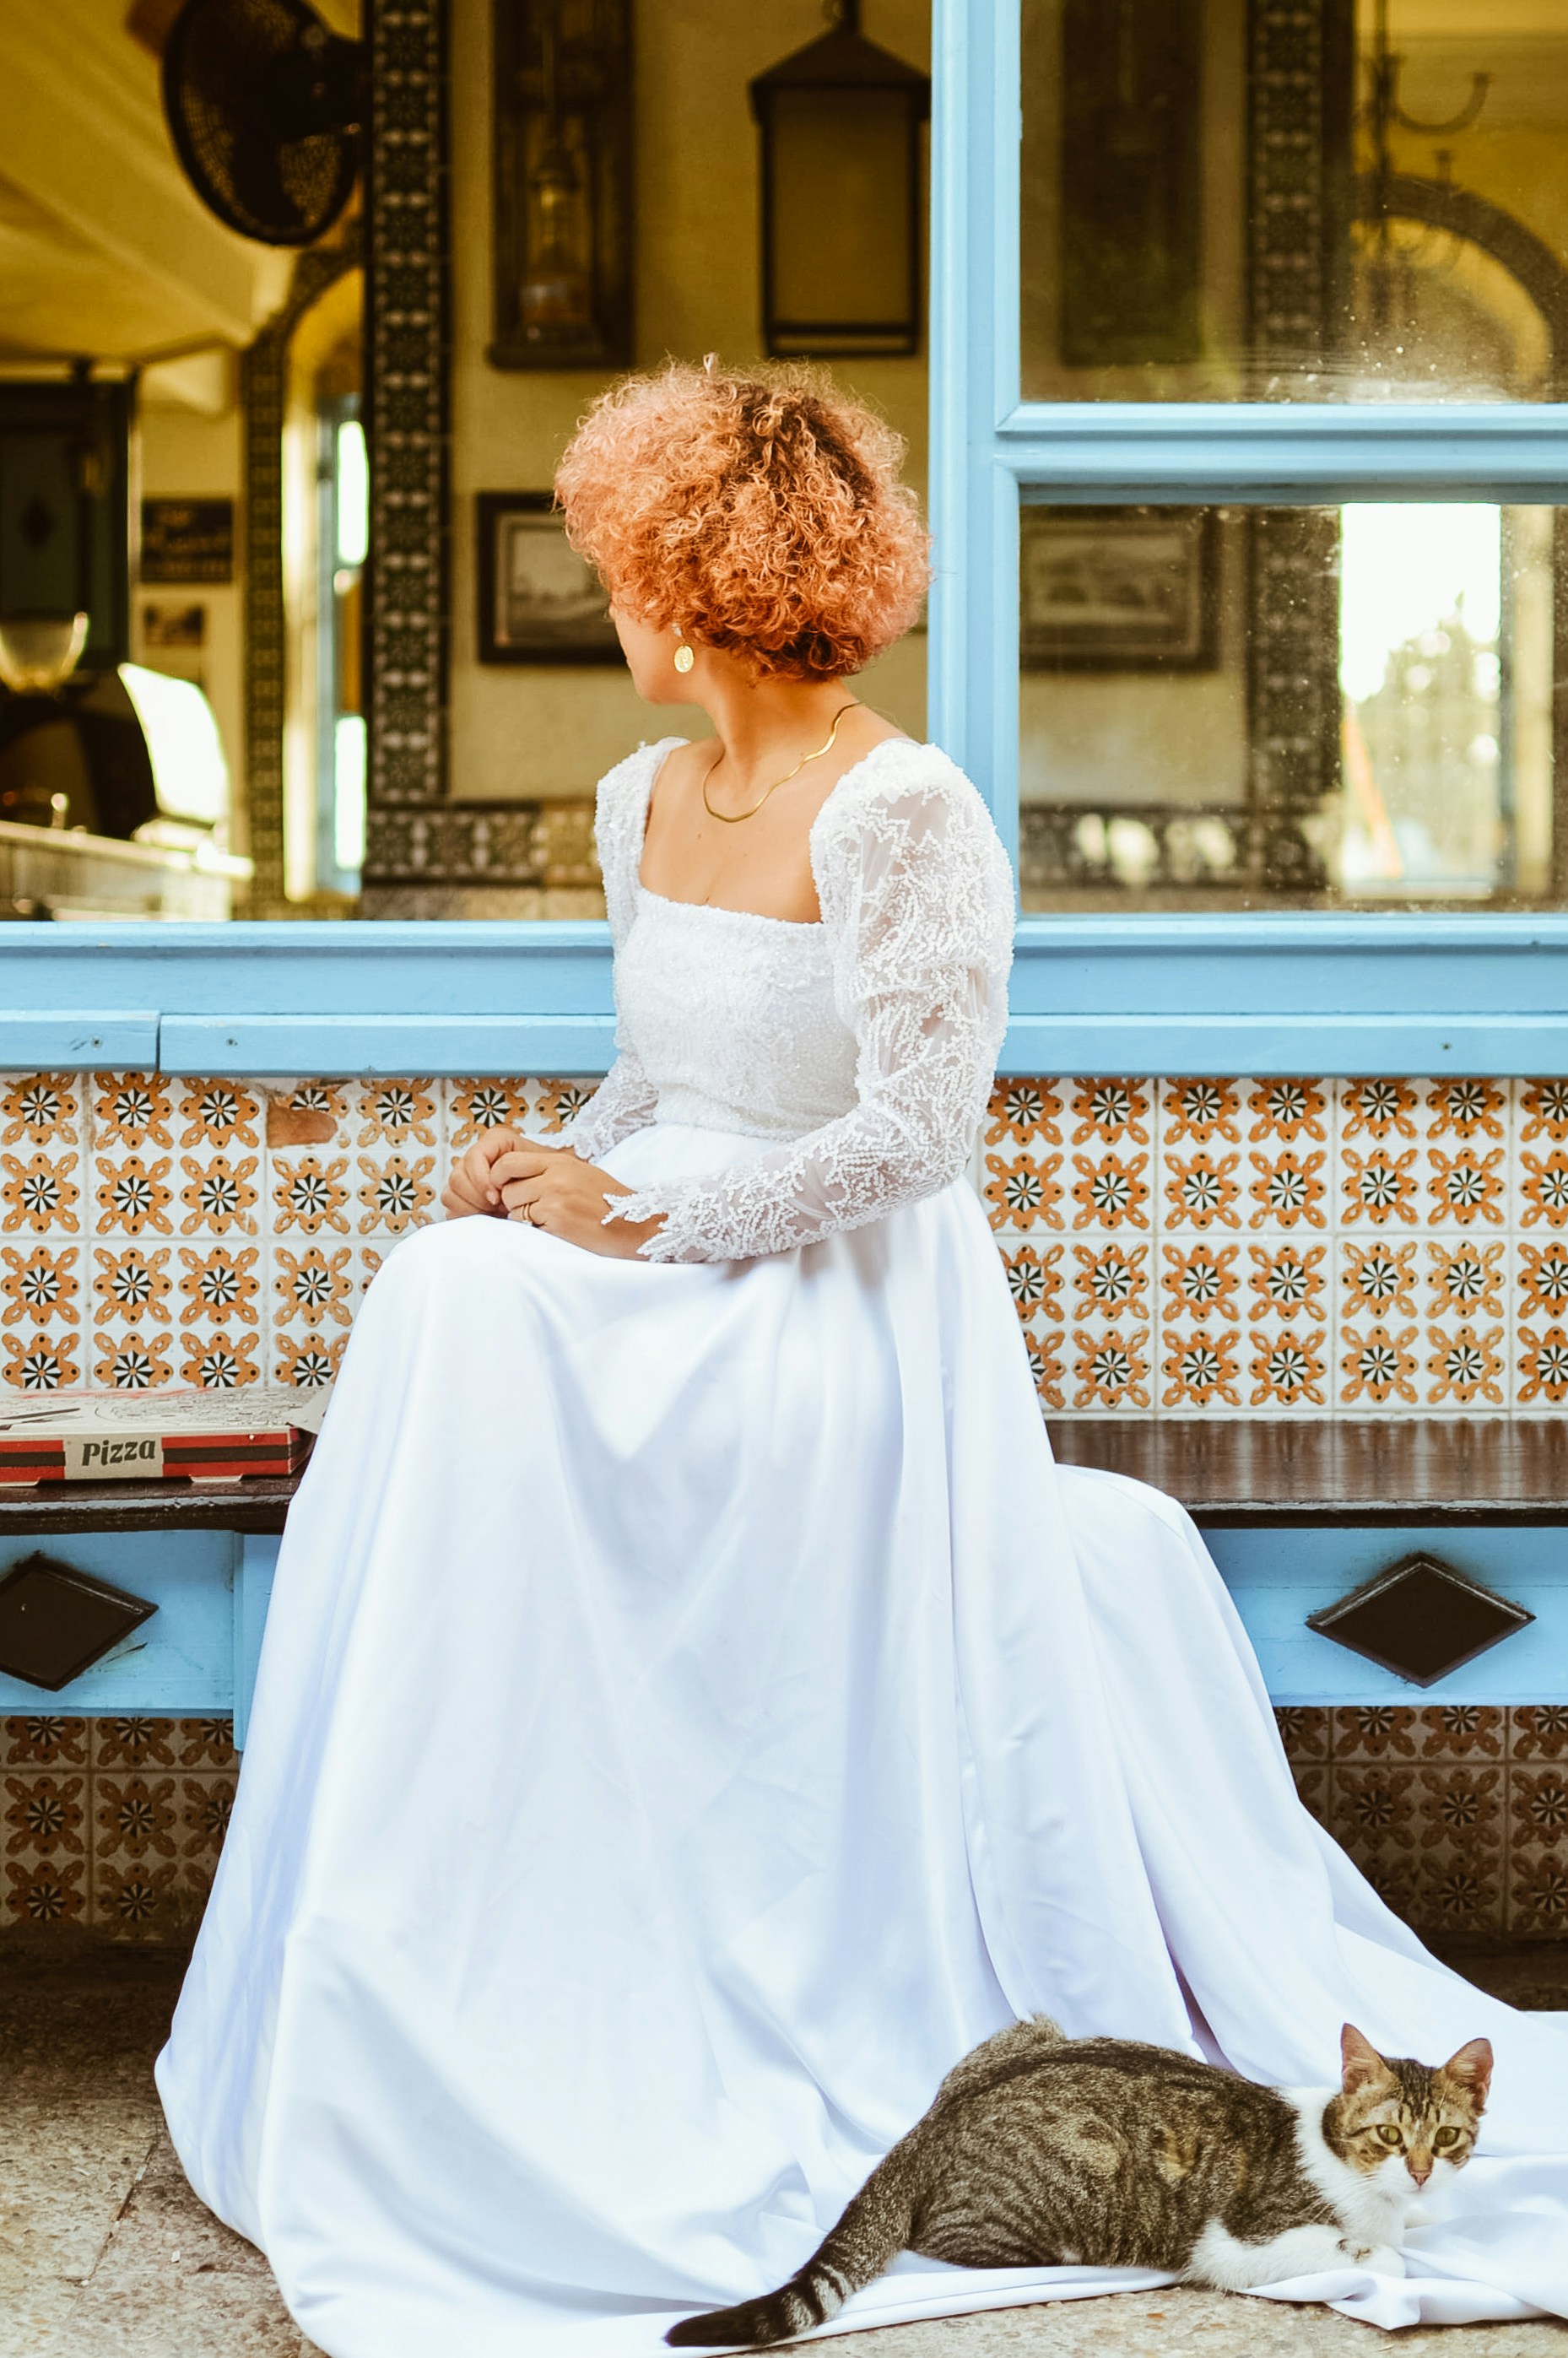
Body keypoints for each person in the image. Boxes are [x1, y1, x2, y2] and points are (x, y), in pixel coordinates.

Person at [157, 363, 1568, 2358]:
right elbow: (662, 1069)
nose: (602, 598)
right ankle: (432, 1940)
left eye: (618, 563)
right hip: (663, 1252)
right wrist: (543, 1156)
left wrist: (632, 1217)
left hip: (840, 1310)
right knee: (443, 1283)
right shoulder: (637, 796)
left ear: (699, 578)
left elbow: (916, 1135)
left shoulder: (906, 806)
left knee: (464, 1306)